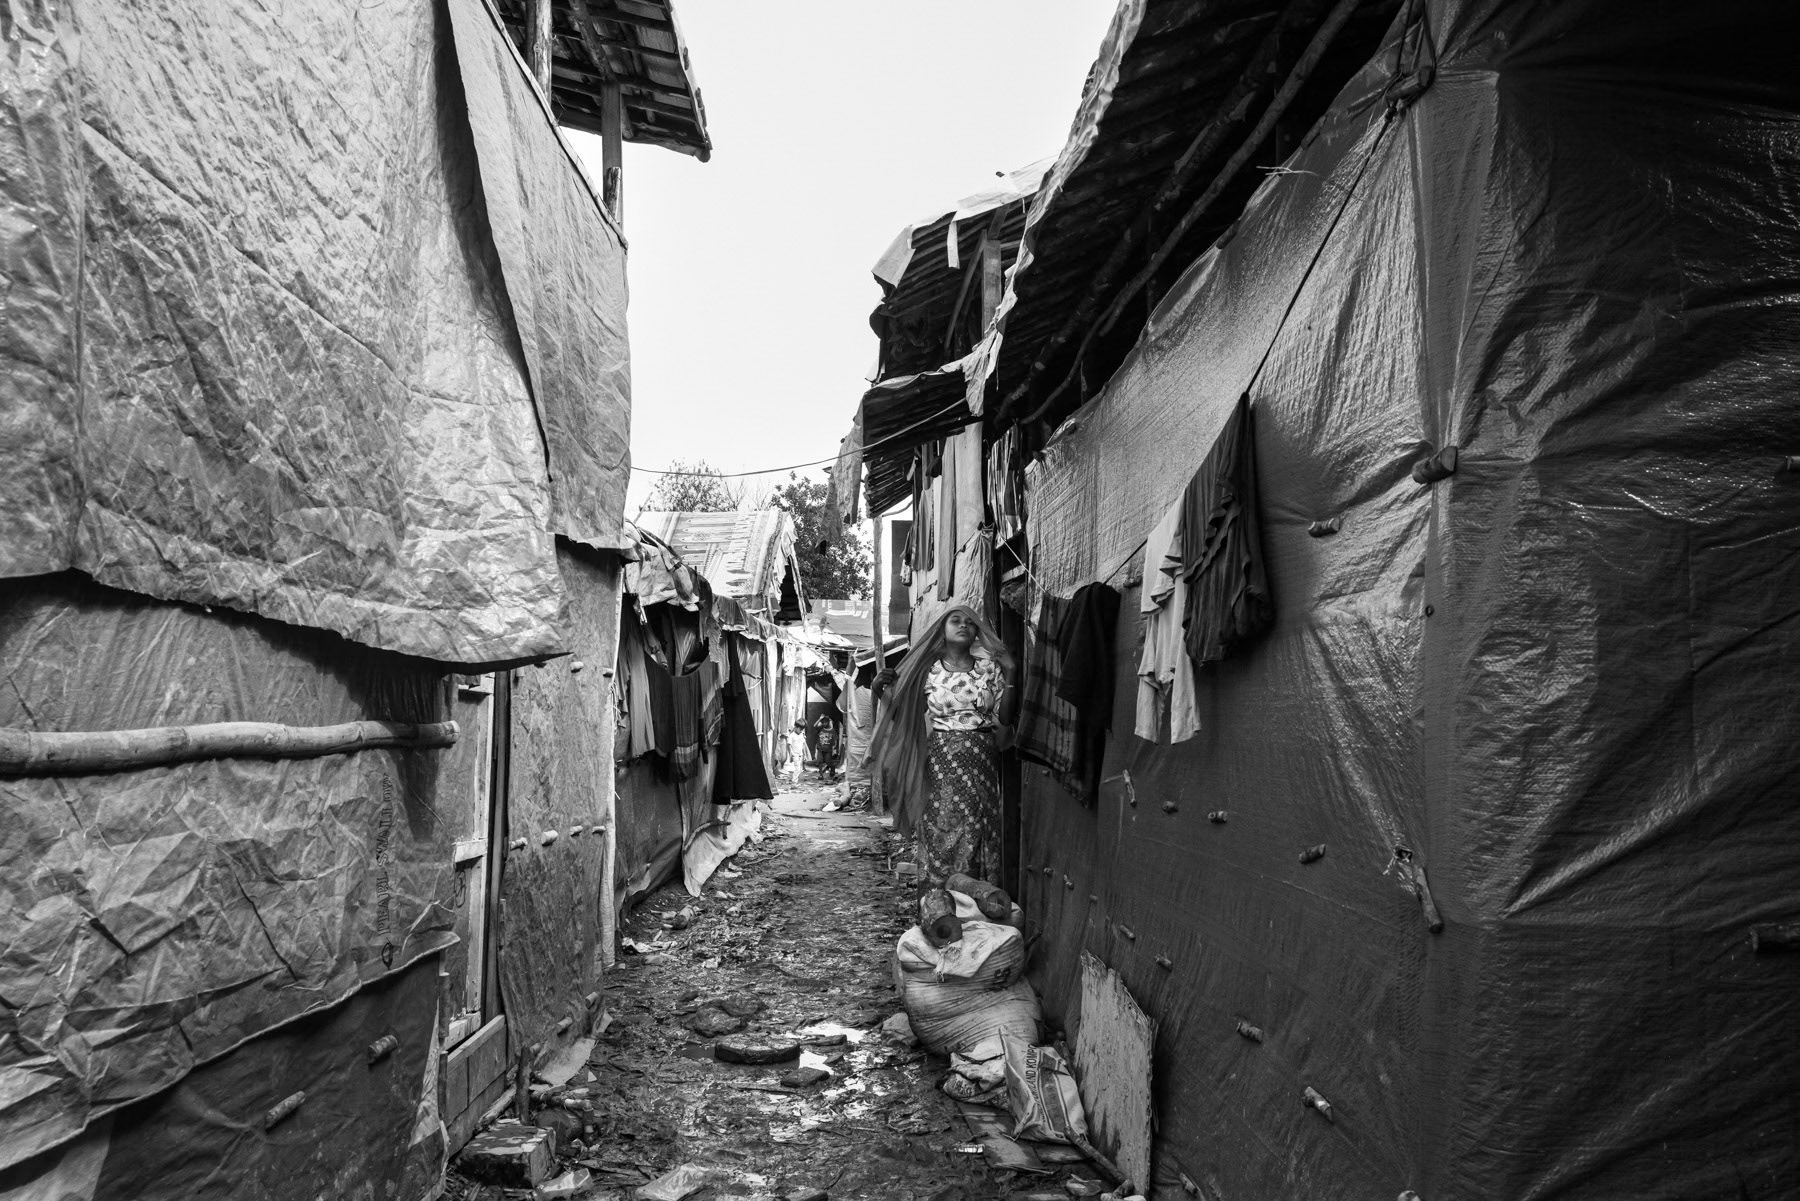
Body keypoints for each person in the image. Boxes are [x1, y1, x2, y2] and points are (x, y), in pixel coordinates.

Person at [871, 605, 1017, 886]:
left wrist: (1011, 672)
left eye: (970, 623)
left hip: (982, 759)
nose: (963, 625)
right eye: (956, 621)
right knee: (940, 824)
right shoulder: (928, 671)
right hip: (941, 760)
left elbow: (1006, 718)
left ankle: (977, 901)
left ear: (977, 632)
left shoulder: (989, 668)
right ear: (943, 629)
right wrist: (879, 689)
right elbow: (907, 715)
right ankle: (937, 901)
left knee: (979, 824)